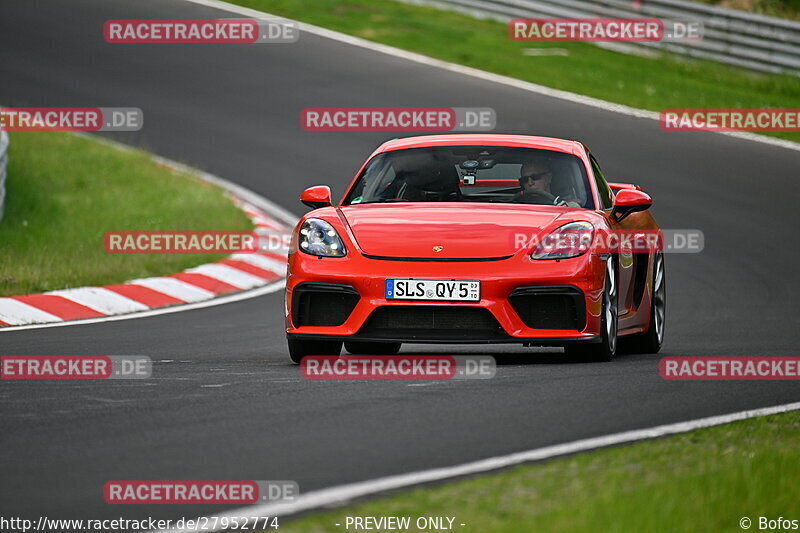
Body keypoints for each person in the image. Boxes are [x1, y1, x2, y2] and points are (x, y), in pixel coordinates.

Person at [516, 160, 580, 207]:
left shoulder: (569, 207)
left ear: (548, 177)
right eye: (525, 180)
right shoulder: (515, 207)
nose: (530, 183)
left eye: (535, 177)